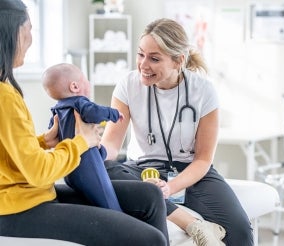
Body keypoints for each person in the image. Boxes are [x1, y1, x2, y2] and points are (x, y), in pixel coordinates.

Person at [0, 1, 169, 245]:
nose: (30, 39)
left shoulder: (6, 89)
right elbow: (37, 172)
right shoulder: (5, 96)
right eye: (29, 29)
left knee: (151, 195)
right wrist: (81, 142)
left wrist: (44, 141)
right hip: (18, 207)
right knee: (150, 240)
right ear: (11, 32)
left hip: (28, 195)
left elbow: (10, 153)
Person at [101, 18, 254, 246]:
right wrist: (93, 152)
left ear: (178, 61)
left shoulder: (203, 91)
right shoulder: (128, 85)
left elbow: (203, 159)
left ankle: (158, 198)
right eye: (140, 54)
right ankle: (193, 225)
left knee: (240, 231)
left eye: (154, 58)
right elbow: (111, 146)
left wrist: (170, 188)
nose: (143, 64)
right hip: (143, 172)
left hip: (192, 173)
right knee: (106, 168)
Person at [42, 63, 123, 212]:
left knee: (98, 153)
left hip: (69, 170)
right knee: (107, 200)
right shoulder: (80, 102)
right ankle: (120, 220)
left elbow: (53, 132)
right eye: (85, 79)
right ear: (74, 86)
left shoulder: (57, 110)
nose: (89, 83)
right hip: (87, 166)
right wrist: (114, 113)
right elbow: (95, 112)